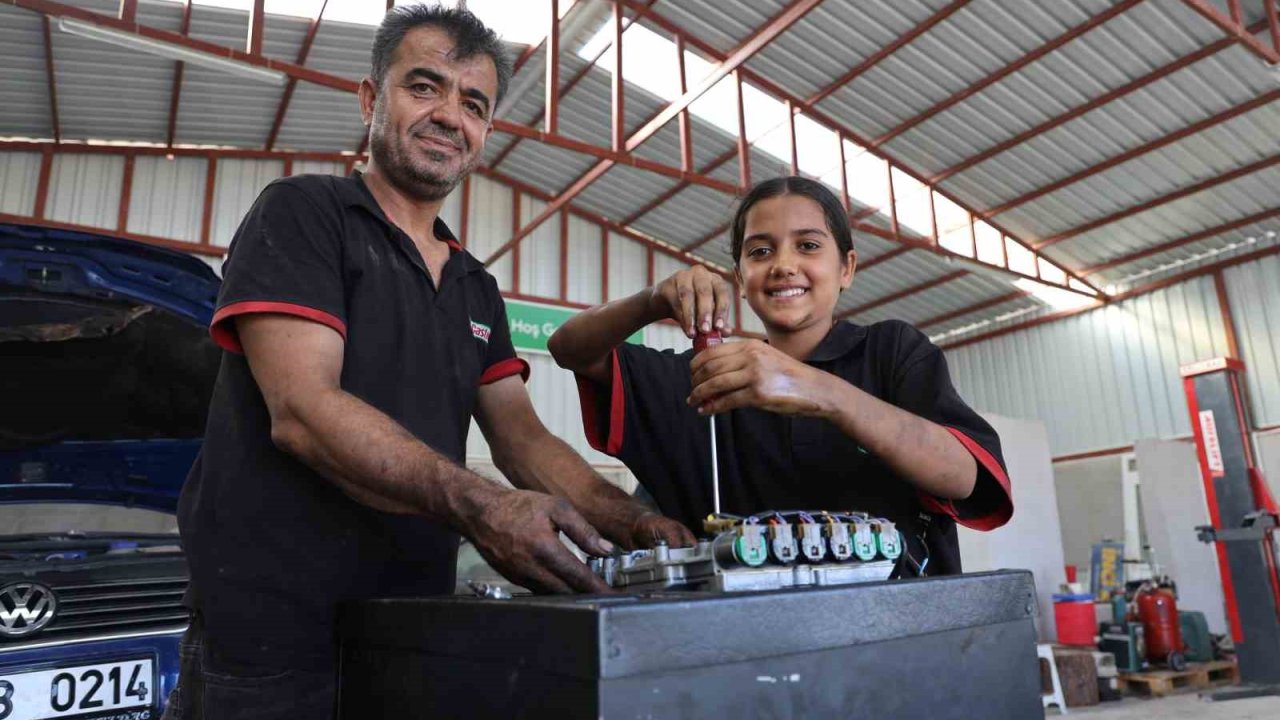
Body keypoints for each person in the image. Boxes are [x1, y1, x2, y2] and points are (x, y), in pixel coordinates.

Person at [164, 6, 693, 719]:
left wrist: (630, 523)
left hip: (413, 622)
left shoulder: (476, 287)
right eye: (424, 87)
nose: (450, 114)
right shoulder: (303, 215)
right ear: (369, 99)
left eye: (473, 104)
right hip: (270, 634)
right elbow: (303, 412)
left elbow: (523, 440)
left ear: (485, 133)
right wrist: (483, 505)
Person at [549, 176, 1013, 578]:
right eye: (760, 251)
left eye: (808, 245)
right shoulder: (705, 376)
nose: (783, 264)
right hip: (749, 650)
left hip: (896, 637)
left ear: (846, 268)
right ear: (740, 275)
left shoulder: (891, 353)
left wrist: (819, 390)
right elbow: (569, 348)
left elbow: (963, 477)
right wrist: (652, 300)